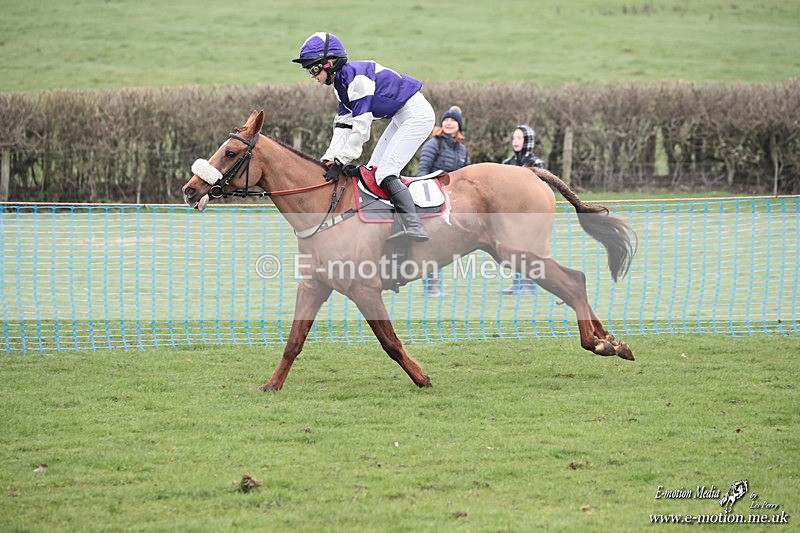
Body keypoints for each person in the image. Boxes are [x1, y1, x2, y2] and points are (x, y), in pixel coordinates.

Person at [292, 32, 435, 242]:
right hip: (400, 116)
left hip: (417, 115)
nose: (312, 75)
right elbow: (343, 125)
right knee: (373, 171)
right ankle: (390, 224)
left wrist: (342, 160)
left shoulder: (357, 81)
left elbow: (361, 128)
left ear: (330, 63)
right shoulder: (340, 85)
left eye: (313, 69)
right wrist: (329, 158)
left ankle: (414, 225)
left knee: (385, 173)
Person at [417, 105, 470, 297]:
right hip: (433, 198)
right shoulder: (434, 144)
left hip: (453, 201)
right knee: (434, 241)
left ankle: (435, 285)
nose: (449, 123)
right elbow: (422, 172)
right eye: (446, 120)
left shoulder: (462, 149)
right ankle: (431, 286)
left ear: (459, 126)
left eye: (453, 120)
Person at [501, 125, 544, 296]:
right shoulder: (507, 164)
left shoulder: (536, 163)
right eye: (514, 138)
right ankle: (517, 283)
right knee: (514, 248)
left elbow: (540, 190)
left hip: (531, 214)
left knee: (529, 248)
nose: (515, 141)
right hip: (511, 214)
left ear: (528, 141)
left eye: (519, 138)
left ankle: (530, 285)